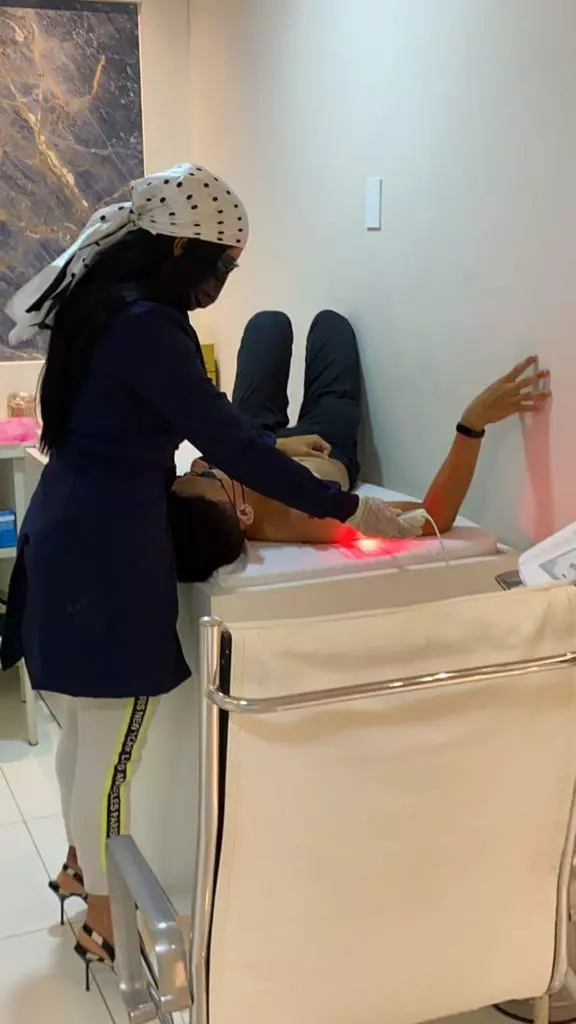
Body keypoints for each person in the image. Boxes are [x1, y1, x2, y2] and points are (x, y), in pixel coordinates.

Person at [0, 163, 421, 984]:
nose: (224, 276)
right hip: (106, 557)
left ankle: (80, 871)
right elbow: (229, 441)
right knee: (113, 754)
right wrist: (348, 508)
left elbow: (194, 430)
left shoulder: (102, 308)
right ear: (180, 245)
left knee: (84, 732)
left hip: (65, 531)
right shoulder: (150, 327)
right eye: (223, 261)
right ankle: (108, 927)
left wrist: (281, 467)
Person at [171, 309, 550, 557]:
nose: (203, 466)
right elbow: (433, 516)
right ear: (244, 514)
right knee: (331, 324)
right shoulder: (299, 516)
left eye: (195, 469)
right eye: (209, 476)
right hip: (325, 445)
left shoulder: (209, 480)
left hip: (258, 439)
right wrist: (473, 423)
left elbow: (226, 454)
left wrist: (279, 444)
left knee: (267, 324)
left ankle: (272, 436)